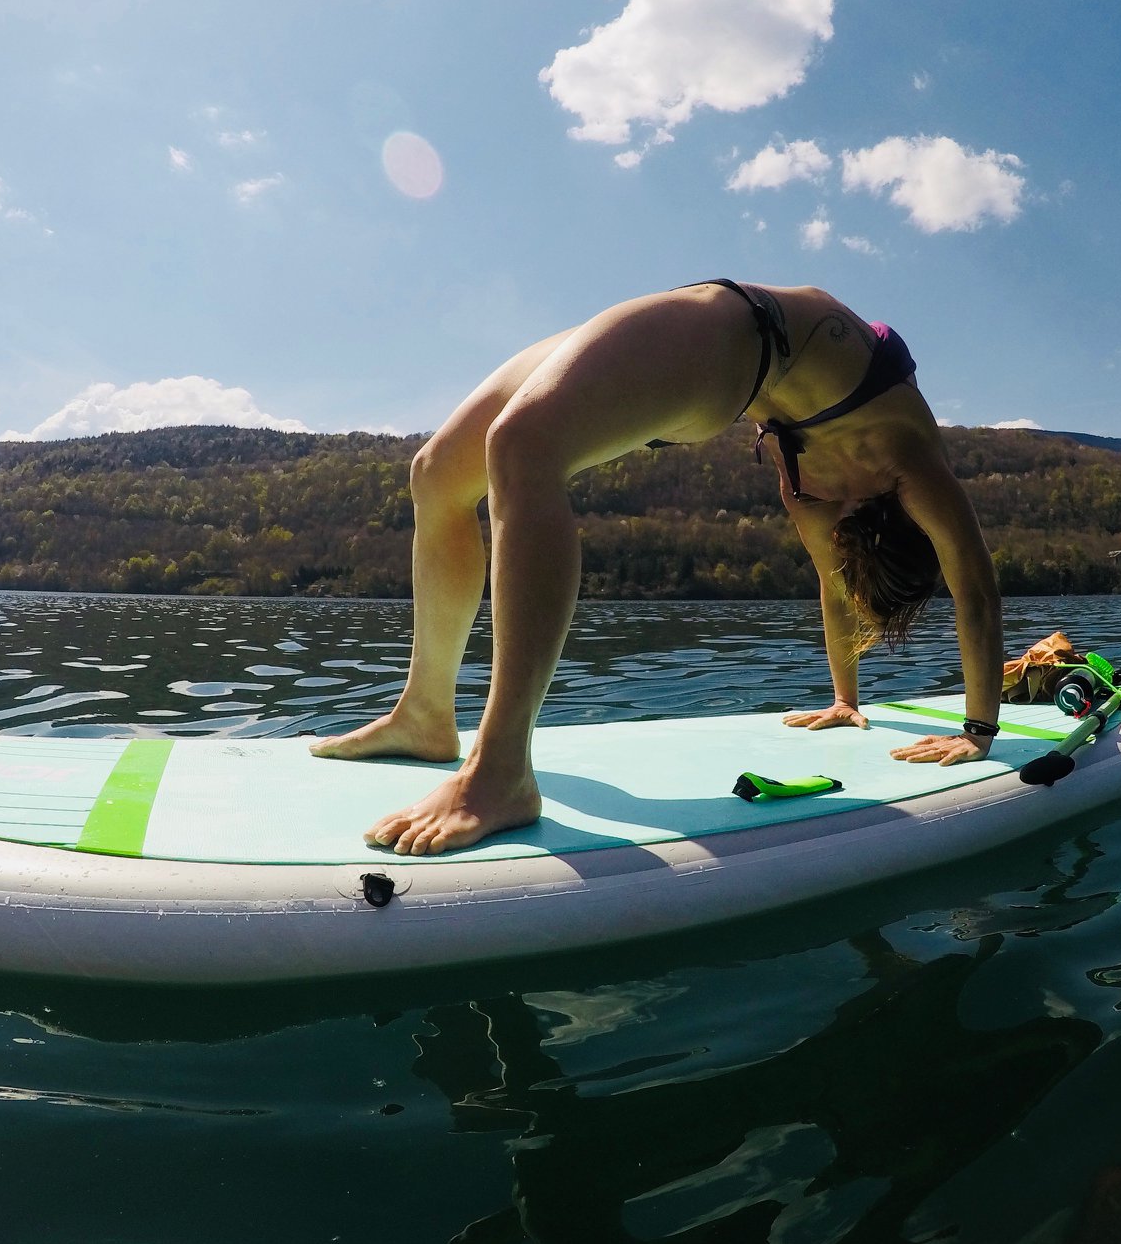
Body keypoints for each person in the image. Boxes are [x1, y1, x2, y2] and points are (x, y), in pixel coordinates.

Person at [311, 278, 1005, 855]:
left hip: (727, 348)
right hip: (723, 327)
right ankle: (428, 714)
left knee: (523, 446)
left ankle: (500, 772)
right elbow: (971, 591)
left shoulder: (816, 488)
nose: (841, 566)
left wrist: (920, 720)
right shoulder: (911, 464)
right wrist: (940, 722)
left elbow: (836, 587)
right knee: (436, 473)